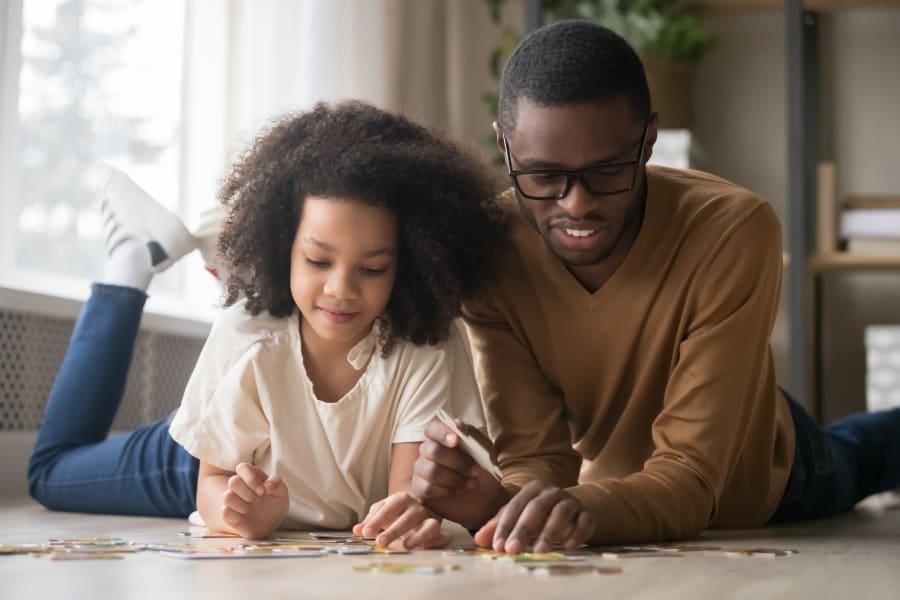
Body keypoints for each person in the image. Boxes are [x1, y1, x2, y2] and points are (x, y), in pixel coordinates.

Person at [411, 19, 900, 553]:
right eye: (543, 175)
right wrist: (498, 502)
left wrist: (577, 510)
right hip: (612, 495)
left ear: (648, 140)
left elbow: (693, 480)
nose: (577, 204)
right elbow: (537, 461)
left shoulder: (732, 228)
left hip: (758, 468)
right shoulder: (489, 249)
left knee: (866, 454)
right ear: (504, 147)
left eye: (607, 171)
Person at [28, 100, 509, 548]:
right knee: (50, 472)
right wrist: (242, 514)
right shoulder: (246, 337)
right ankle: (134, 258)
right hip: (219, 457)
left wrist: (411, 514)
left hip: (303, 472)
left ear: (408, 264)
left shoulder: (427, 345)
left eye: (372, 269)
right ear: (284, 248)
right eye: (319, 260)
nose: (342, 290)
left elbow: (408, 493)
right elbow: (211, 484)